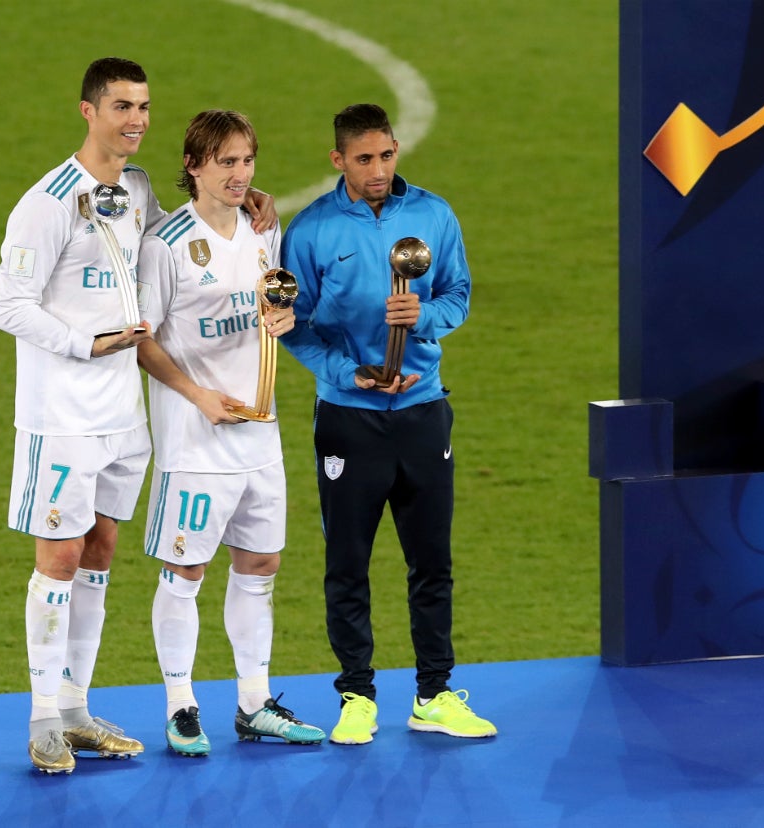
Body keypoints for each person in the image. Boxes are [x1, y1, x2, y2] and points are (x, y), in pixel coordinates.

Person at [0, 58, 278, 775]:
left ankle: (78, 708)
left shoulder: (137, 191)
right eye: (122, 107)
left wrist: (247, 198)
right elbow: (10, 305)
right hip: (61, 413)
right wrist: (86, 343)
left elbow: (178, 237)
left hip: (124, 416)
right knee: (57, 557)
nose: (137, 120)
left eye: (144, 107)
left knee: (98, 554)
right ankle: (41, 720)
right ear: (88, 111)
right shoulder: (47, 202)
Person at [279, 103, 497, 745]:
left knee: (432, 560)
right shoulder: (312, 231)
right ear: (339, 160)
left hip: (424, 410)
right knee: (348, 562)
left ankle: (433, 694)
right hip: (350, 419)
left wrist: (424, 316)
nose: (379, 170)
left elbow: (458, 292)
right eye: (365, 158)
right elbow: (295, 324)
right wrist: (350, 374)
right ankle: (357, 696)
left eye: (387, 155)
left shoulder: (434, 214)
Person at [136, 109, 325, 756]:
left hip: (260, 433)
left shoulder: (263, 232)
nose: (240, 174)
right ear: (193, 166)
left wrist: (283, 315)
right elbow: (142, 342)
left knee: (261, 564)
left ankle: (254, 702)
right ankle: (181, 704)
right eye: (226, 162)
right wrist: (197, 395)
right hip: (195, 438)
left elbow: (275, 303)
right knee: (185, 568)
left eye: (247, 160)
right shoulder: (166, 245)